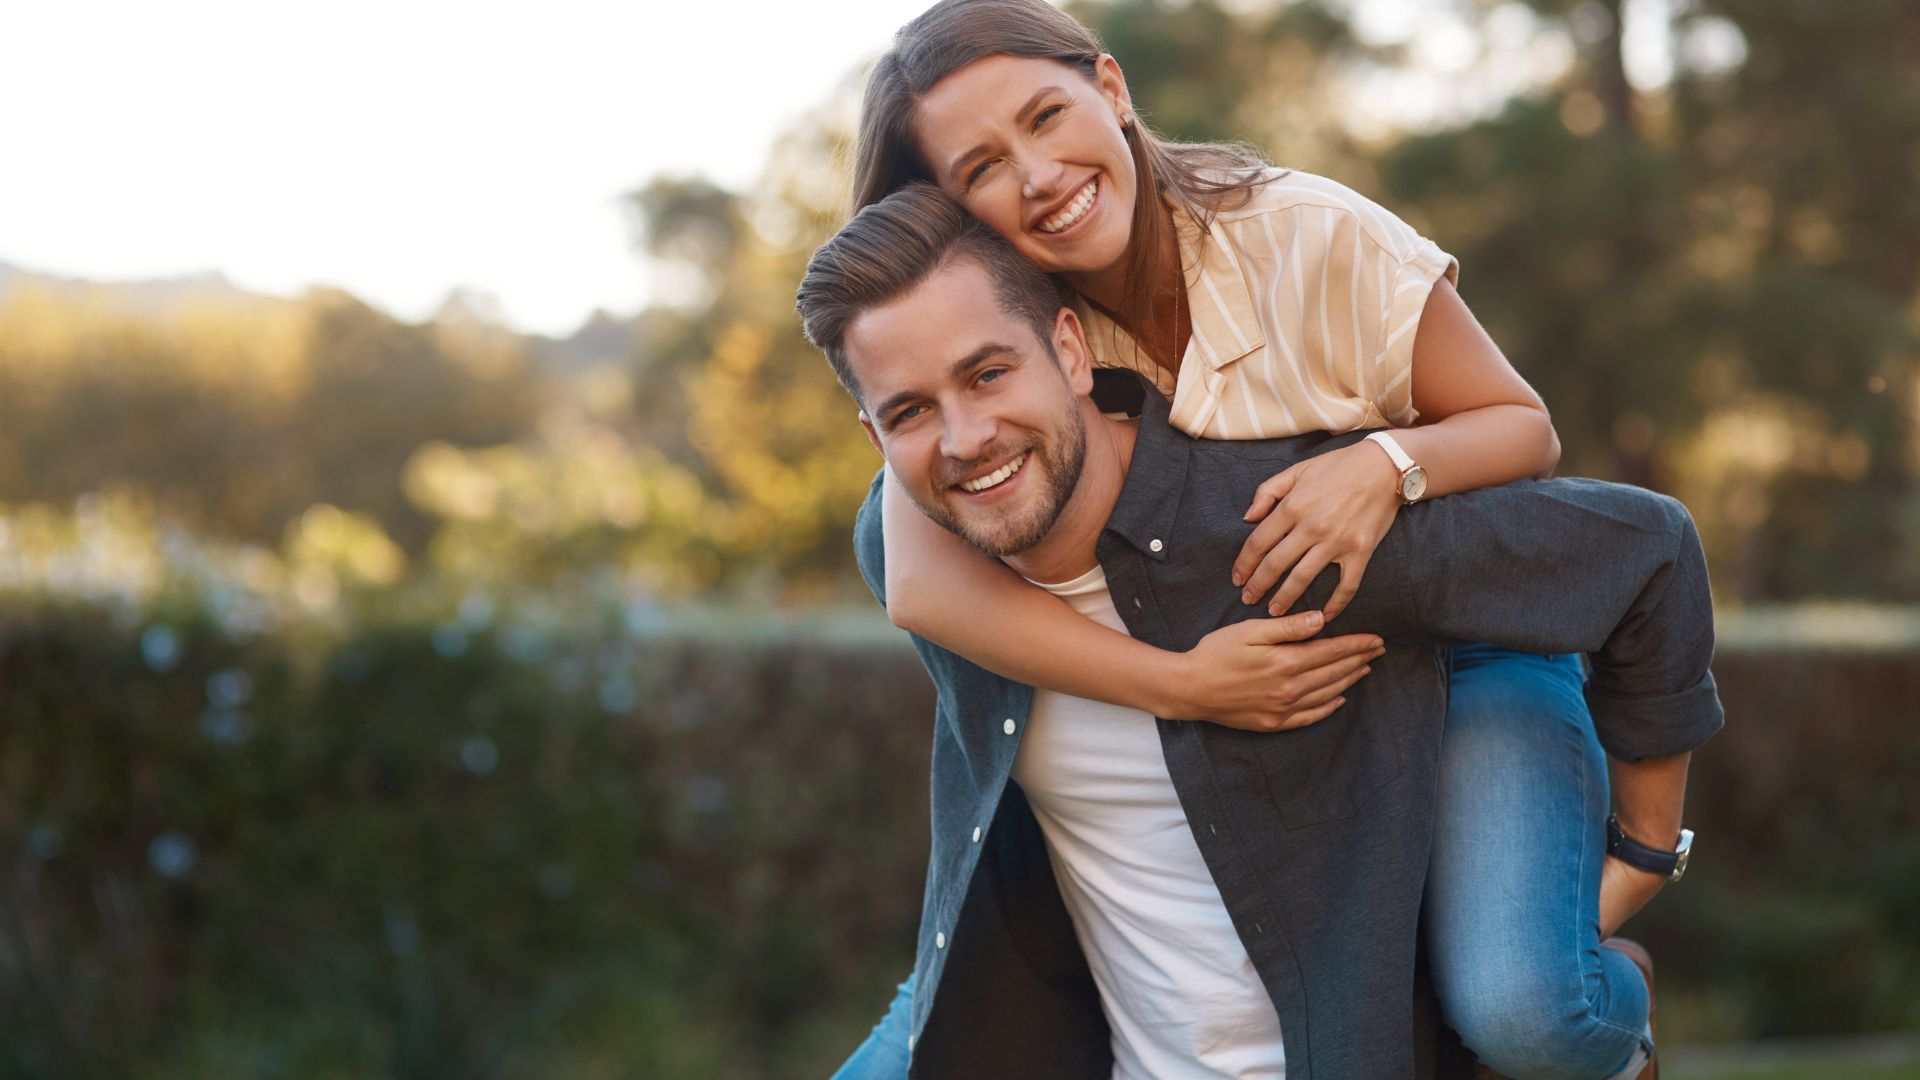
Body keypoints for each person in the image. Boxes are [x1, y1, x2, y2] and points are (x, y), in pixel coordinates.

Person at [842, 2, 1684, 1076]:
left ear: (1112, 88)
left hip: (1460, 641)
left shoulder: (1303, 232)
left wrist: (1381, 467)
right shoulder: (1005, 332)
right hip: (1266, 680)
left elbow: (1525, 426)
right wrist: (1181, 685)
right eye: (983, 169)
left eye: (1048, 117)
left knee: (1525, 1004)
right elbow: (916, 582)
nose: (1039, 174)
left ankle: (1617, 1007)